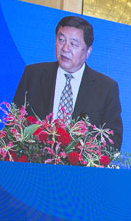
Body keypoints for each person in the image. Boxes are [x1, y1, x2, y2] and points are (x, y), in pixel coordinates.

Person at [13, 16, 123, 150]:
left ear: (88, 51)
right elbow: (14, 123)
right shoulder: (33, 75)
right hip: (34, 160)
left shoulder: (106, 88)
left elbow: (113, 141)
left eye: (73, 44)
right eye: (61, 40)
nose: (65, 48)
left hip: (79, 163)